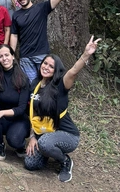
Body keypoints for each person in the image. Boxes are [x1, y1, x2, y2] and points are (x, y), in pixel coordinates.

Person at [25, 36, 101, 183]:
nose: (46, 67)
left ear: (56, 70)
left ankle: (65, 161)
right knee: (30, 164)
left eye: (51, 66)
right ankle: (46, 152)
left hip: (67, 135)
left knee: (45, 143)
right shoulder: (34, 84)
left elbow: (73, 71)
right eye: (45, 63)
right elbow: (33, 115)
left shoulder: (61, 85)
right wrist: (32, 136)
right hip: (43, 134)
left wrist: (86, 54)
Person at [10, 0, 63, 83]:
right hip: (25, 57)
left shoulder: (41, 8)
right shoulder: (16, 15)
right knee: (31, 86)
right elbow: (14, 35)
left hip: (42, 55)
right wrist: (11, 54)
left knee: (45, 84)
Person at [0, 44, 30, 161]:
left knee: (14, 140)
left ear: (13, 56)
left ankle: (19, 145)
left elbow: (22, 108)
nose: (4, 58)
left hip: (19, 118)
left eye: (7, 55)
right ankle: (0, 144)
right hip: (3, 119)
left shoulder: (23, 78)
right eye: (1, 56)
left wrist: (2, 113)